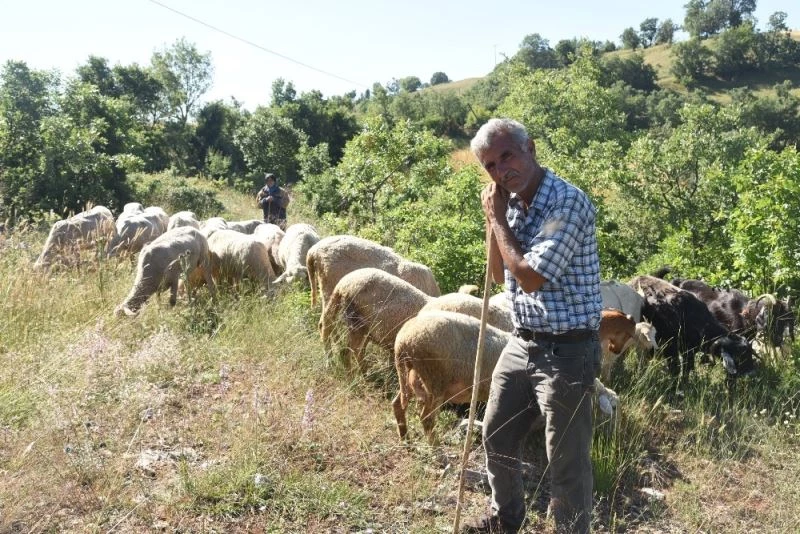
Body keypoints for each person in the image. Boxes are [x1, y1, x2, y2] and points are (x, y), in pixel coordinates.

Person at [463, 118, 602, 534]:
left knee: (566, 462)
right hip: (522, 341)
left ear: (531, 148)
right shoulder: (511, 205)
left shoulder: (566, 203)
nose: (502, 170)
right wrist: (494, 221)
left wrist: (498, 221)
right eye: (490, 165)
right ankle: (507, 520)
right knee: (497, 435)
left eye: (507, 156)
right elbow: (495, 274)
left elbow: (530, 277)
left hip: (568, 350)